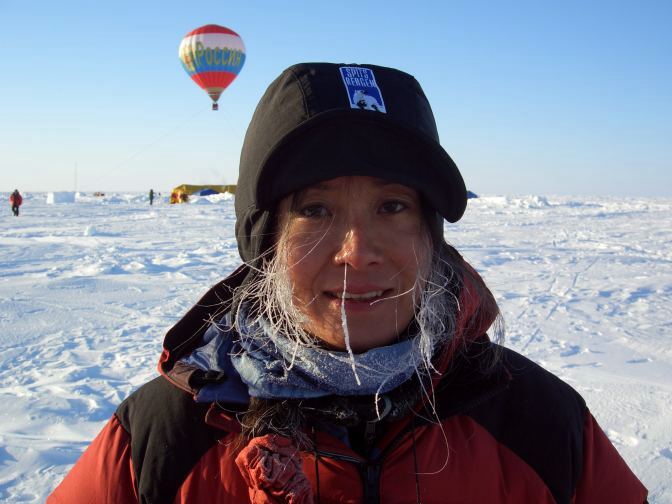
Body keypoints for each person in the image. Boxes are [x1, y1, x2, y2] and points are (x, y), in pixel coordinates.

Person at [48, 63, 647, 503]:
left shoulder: (539, 423)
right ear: (265, 244)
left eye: (393, 206)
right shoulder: (160, 441)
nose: (357, 253)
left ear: (432, 236)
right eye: (315, 210)